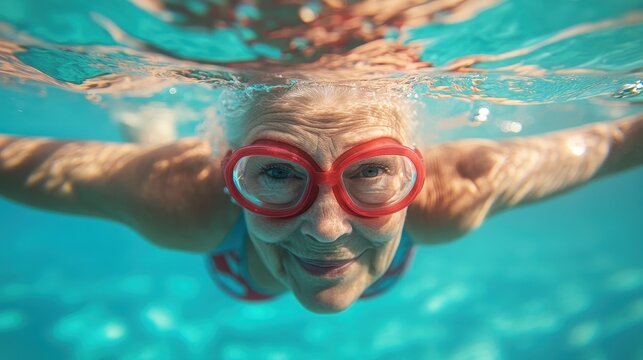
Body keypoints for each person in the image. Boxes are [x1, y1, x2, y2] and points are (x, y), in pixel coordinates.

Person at [0, 81, 641, 313]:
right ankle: (145, 121)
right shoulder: (180, 200)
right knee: (148, 141)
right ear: (232, 177)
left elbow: (620, 140)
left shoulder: (456, 191)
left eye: (370, 174)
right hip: (198, 193)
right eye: (277, 174)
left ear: (417, 172)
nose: (328, 228)